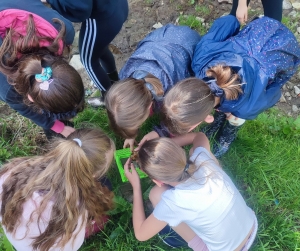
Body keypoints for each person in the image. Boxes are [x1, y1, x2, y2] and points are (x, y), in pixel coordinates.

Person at [159, 15, 300, 157]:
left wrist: (267, 84)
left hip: (286, 49)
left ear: (204, 119)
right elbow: (229, 22)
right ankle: (221, 114)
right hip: (263, 27)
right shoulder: (201, 59)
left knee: (237, 117)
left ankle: (229, 132)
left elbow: (275, 94)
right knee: (233, 108)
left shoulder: (246, 108)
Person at [124, 132, 258, 251]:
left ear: (158, 181)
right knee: (196, 150)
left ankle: (176, 237)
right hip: (251, 225)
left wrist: (136, 187)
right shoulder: (202, 157)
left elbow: (141, 234)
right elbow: (198, 136)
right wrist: (165, 150)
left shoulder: (174, 202)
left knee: (156, 195)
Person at [0, 128, 115, 251]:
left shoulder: (16, 172)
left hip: (18, 240)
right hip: (51, 247)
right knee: (102, 219)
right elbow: (72, 243)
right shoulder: (77, 205)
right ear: (92, 175)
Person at [105, 24, 201, 150]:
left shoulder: (173, 92)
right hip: (162, 38)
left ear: (150, 106)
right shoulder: (125, 76)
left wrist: (160, 132)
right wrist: (130, 133)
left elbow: (180, 119)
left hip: (188, 45)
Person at [0, 0, 85, 139]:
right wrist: (57, 126)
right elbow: (24, 109)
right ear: (30, 98)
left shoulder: (64, 32)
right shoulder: (8, 89)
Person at [45, 0, 129, 100]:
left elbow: (81, 8)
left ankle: (109, 99)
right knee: (100, 49)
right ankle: (114, 80)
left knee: (88, 61)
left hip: (101, 19)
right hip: (116, 7)